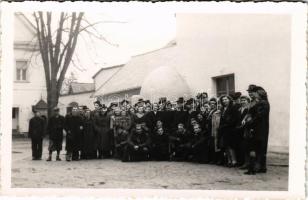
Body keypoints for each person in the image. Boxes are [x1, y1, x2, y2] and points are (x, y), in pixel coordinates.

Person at [242, 85, 270, 175]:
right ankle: (260, 167)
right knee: (258, 148)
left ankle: (254, 168)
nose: (253, 95)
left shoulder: (263, 103)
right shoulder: (260, 103)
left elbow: (258, 116)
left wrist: (249, 122)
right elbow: (253, 114)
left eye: (255, 93)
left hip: (259, 128)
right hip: (258, 128)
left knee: (255, 148)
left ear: (259, 94)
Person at [218, 95, 238, 167]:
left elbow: (233, 119)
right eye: (223, 100)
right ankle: (229, 160)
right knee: (225, 145)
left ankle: (234, 161)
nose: (224, 101)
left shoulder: (232, 108)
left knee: (231, 146)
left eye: (226, 99)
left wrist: (226, 125)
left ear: (229, 100)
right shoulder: (223, 108)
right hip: (224, 129)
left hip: (230, 129)